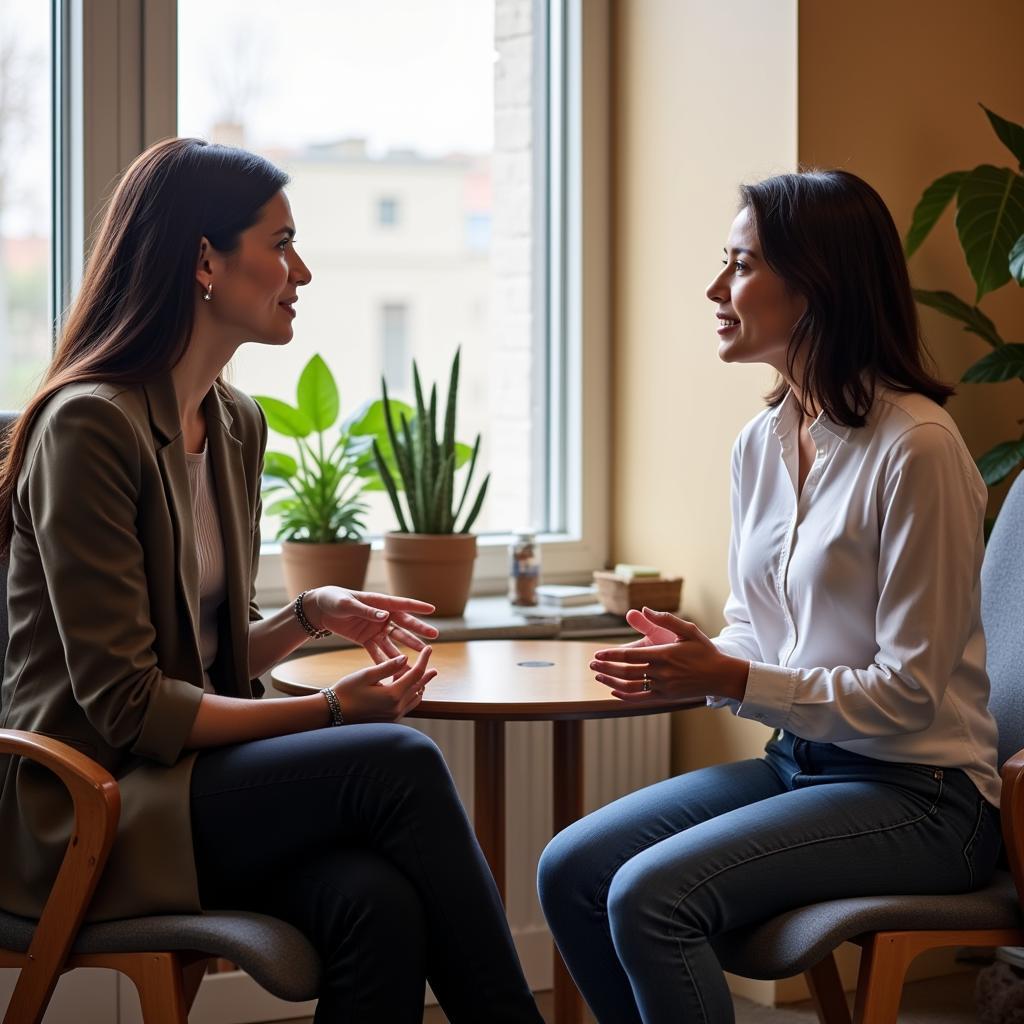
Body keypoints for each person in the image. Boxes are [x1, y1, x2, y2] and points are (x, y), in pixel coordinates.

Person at [0, 137, 543, 1024]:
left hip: (183, 784)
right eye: (281, 242)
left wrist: (308, 613)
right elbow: (131, 707)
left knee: (377, 900)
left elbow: (206, 654)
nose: (304, 270)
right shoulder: (88, 427)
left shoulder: (235, 425)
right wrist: (331, 712)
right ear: (205, 261)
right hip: (90, 804)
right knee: (396, 759)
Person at [537, 169, 1002, 1023]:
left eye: (742, 265)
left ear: (818, 283)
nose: (717, 288)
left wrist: (735, 678)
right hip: (801, 765)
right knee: (570, 870)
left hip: (926, 799)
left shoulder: (919, 450)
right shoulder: (762, 441)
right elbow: (759, 626)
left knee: (648, 896)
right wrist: (702, 659)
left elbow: (907, 694)